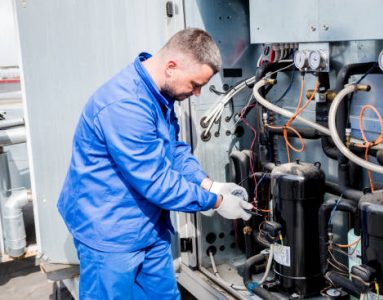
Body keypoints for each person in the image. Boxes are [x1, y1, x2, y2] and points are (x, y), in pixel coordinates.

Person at [57, 28, 253, 299]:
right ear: (171, 67)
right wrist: (216, 202)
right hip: (110, 232)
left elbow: (173, 150)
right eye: (195, 84)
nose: (197, 94)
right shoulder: (125, 105)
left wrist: (210, 184)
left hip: (148, 227)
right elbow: (157, 182)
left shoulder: (159, 96)